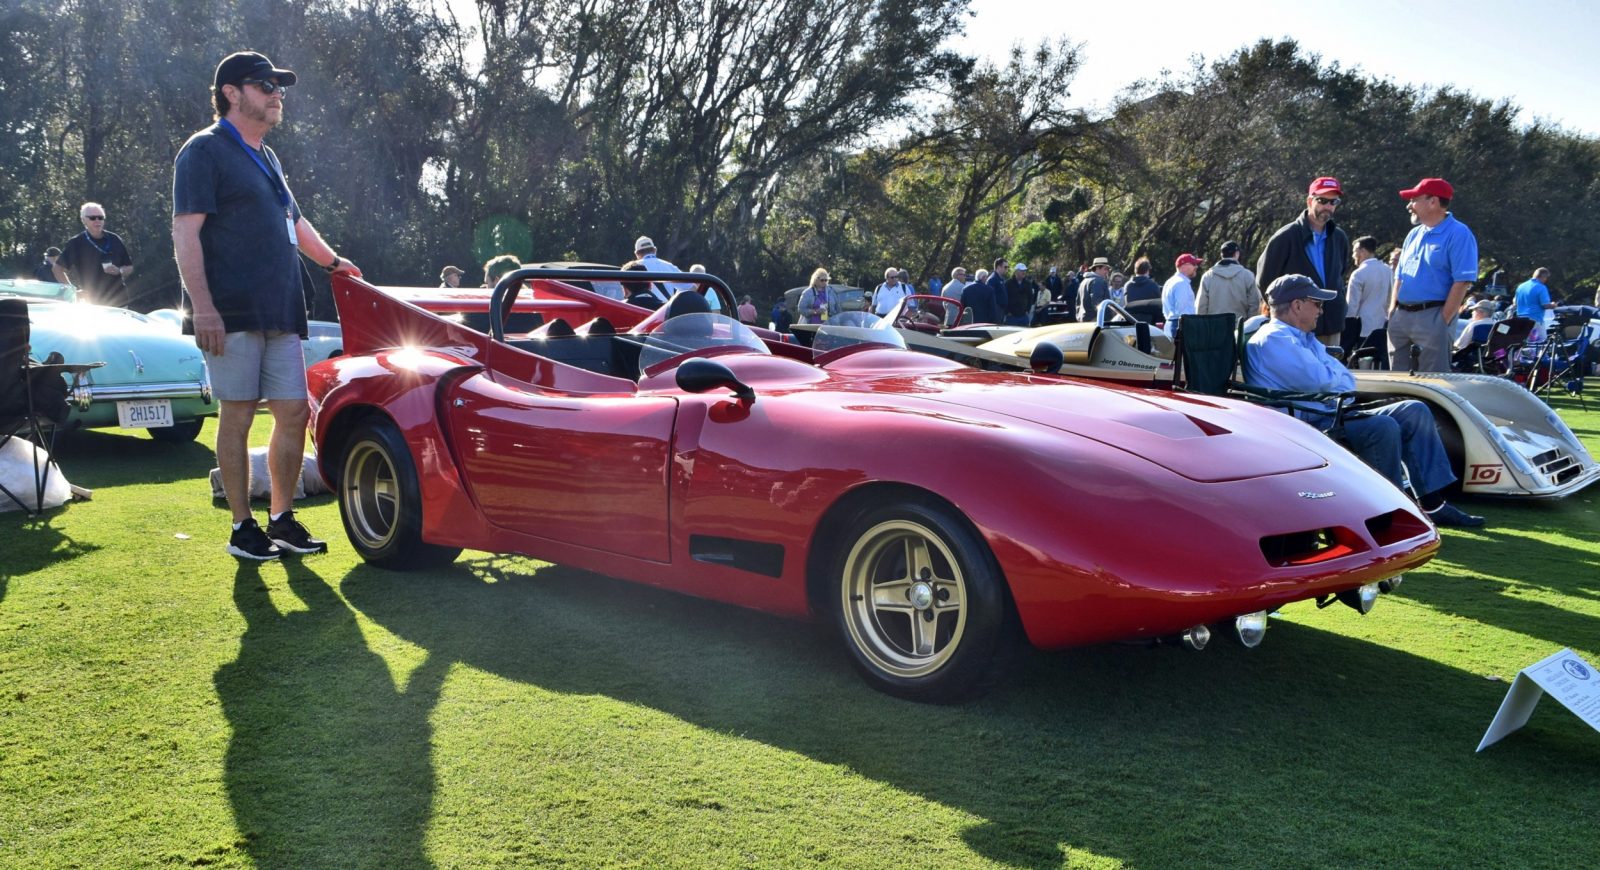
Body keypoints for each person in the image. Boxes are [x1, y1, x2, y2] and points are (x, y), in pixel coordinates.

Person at [173, 50, 360, 560]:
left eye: (279, 86)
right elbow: (185, 234)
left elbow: (294, 222)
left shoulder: (268, 155)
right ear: (232, 93)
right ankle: (242, 528)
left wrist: (333, 261)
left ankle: (281, 520)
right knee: (236, 416)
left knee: (294, 411)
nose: (277, 94)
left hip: (281, 306)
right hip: (229, 311)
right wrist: (203, 308)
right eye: (265, 85)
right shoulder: (203, 151)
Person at [1245, 275, 1485, 528]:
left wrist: (1333, 377)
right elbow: (1324, 381)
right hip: (1303, 421)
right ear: (1297, 305)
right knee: (1382, 427)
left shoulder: (1300, 337)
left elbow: (1343, 380)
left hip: (1323, 411)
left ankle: (1432, 504)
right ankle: (1389, 512)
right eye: (1316, 303)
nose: (1321, 310)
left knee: (1414, 410)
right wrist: (1334, 377)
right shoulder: (1275, 339)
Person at [1388, 177, 1478, 372]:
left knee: (1432, 383)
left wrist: (1442, 321)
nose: (1409, 206)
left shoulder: (1459, 233)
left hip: (1432, 316)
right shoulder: (1413, 234)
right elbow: (1400, 276)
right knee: (1396, 383)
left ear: (1433, 202)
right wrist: (1393, 310)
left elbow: (1462, 282)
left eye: (1414, 200)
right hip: (1401, 319)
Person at [1257, 176, 1352, 347]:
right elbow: (1265, 280)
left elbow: (1340, 273)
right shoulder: (1285, 237)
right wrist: (1285, 313)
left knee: (1330, 371)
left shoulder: (1339, 238)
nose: (1328, 207)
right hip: (1295, 327)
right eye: (1322, 200)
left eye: (1333, 202)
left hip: (1331, 326)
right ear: (1309, 201)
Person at [54, 202, 134, 307]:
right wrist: (73, 292)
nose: (97, 221)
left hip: (120, 301)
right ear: (83, 220)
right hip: (93, 304)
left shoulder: (115, 239)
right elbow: (57, 269)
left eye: (100, 217)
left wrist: (120, 271)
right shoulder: (76, 242)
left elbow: (129, 267)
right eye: (92, 218)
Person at [1344, 236, 1393, 368]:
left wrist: (1347, 330)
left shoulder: (1359, 273)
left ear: (1363, 251)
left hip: (1363, 328)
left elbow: (1352, 306)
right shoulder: (1388, 270)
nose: (1354, 255)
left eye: (1355, 251)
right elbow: (1391, 298)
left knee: (1363, 364)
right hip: (1383, 324)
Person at [1196, 241, 1261, 322]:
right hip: (1239, 328)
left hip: (1213, 327)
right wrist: (1248, 325)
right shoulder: (1247, 275)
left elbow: (1201, 305)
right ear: (1236, 254)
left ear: (1221, 255)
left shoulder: (1208, 276)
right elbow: (1255, 304)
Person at [1161, 253, 1202, 338]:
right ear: (1184, 266)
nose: (1196, 267)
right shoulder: (1181, 283)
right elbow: (1183, 311)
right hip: (1181, 326)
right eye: (1194, 264)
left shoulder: (1170, 281)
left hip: (1170, 324)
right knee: (1182, 351)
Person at [1513, 267, 1557, 342]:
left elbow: (1515, 303)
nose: (1546, 280)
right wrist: (1553, 305)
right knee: (1541, 343)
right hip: (1535, 319)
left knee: (1525, 344)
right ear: (1543, 276)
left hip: (1520, 319)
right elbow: (1545, 305)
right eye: (1546, 278)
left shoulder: (1521, 286)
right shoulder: (1541, 287)